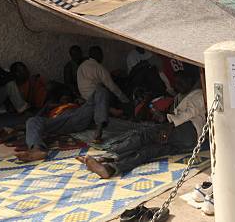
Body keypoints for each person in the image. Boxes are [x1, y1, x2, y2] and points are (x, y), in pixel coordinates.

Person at [76, 63, 205, 178]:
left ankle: (108, 156)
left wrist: (168, 127)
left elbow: (188, 114)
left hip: (189, 130)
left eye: (181, 82)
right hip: (187, 144)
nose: (178, 85)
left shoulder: (198, 93)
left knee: (143, 135)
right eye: (176, 83)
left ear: (191, 81)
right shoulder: (180, 96)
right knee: (147, 151)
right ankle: (110, 169)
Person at [15, 46, 129, 162]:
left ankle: (99, 128)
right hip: (59, 120)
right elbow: (36, 118)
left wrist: (75, 100)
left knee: (100, 90)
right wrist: (51, 106)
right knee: (32, 121)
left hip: (78, 113)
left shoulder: (71, 94)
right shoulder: (49, 105)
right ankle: (36, 149)